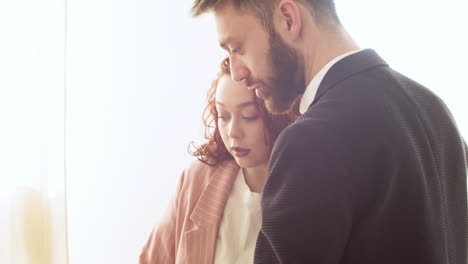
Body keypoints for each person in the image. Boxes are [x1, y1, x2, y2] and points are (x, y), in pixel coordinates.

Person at [190, 0, 468, 263]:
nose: (237, 72)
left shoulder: (311, 140)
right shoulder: (434, 109)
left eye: (236, 48)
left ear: (288, 18)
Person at [138, 58, 297, 264]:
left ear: (280, 115)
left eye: (249, 116)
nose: (233, 132)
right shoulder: (198, 178)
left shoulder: (307, 191)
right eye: (223, 116)